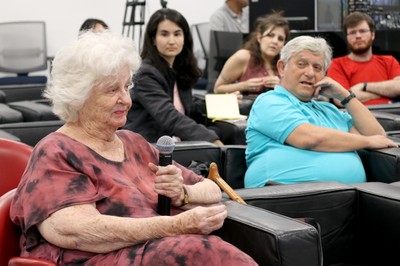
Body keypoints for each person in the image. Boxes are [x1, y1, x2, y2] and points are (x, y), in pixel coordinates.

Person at [9, 31, 257, 265]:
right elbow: (76, 232)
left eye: (126, 87)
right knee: (203, 251)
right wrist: (177, 225)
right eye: (112, 90)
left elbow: (211, 189)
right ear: (78, 96)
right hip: (97, 259)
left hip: (157, 249)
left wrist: (182, 193)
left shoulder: (133, 143)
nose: (126, 100)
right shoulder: (56, 152)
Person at [244, 35, 397, 188]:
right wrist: (367, 142)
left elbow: (377, 136)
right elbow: (308, 138)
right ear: (282, 68)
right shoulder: (269, 101)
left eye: (317, 67)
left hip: (348, 198)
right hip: (283, 195)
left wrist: (345, 95)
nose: (310, 73)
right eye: (301, 64)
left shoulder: (329, 110)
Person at [124, 8, 223, 145]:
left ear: (184, 38)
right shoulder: (145, 73)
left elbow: (190, 105)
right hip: (148, 147)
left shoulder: (179, 70)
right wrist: (211, 139)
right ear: (153, 39)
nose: (172, 41)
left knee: (223, 131)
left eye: (177, 34)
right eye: (164, 34)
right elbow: (169, 116)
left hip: (175, 144)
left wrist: (229, 103)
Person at [327, 11, 400, 106]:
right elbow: (342, 100)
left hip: (392, 116)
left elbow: (398, 87)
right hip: (355, 118)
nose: (358, 36)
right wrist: (385, 92)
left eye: (362, 31)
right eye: (352, 32)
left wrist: (364, 86)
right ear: (347, 38)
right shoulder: (337, 64)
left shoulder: (389, 61)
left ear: (373, 34)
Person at [213, 12, 289, 99]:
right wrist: (244, 85)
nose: (275, 41)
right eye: (270, 35)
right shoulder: (243, 57)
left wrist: (281, 86)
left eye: (280, 39)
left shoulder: (284, 64)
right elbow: (217, 89)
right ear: (259, 37)